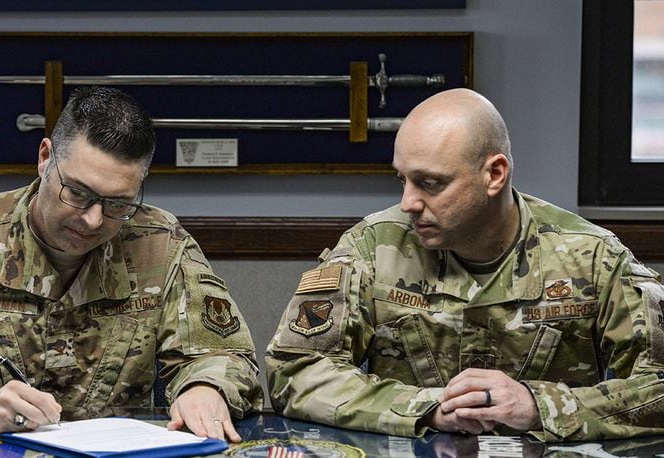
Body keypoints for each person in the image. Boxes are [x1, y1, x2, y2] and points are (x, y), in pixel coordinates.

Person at [0, 87, 262, 441]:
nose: (93, 219)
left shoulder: (160, 244)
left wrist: (206, 386)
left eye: (118, 203)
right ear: (45, 157)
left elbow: (228, 356)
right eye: (78, 193)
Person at [265, 88, 664, 442]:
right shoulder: (373, 247)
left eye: (431, 183)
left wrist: (539, 405)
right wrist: (426, 409)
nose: (409, 203)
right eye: (401, 180)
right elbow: (296, 371)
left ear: (494, 174)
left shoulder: (591, 256)